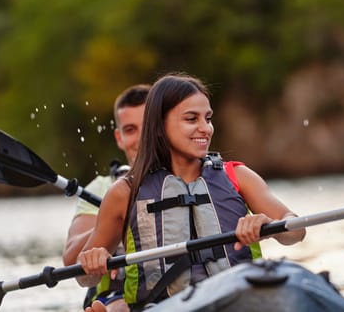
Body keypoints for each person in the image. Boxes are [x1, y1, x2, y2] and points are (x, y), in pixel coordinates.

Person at [76, 73, 306, 312]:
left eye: (208, 118)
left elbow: (297, 230)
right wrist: (93, 261)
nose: (205, 128)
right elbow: (84, 279)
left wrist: (270, 225)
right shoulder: (124, 193)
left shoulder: (237, 176)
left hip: (239, 300)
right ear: (160, 125)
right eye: (191, 119)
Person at [63, 84, 150, 311]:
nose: (141, 139)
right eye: (131, 130)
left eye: (148, 126)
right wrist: (114, 215)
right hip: (117, 295)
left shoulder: (186, 175)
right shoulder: (102, 187)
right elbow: (72, 260)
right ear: (119, 137)